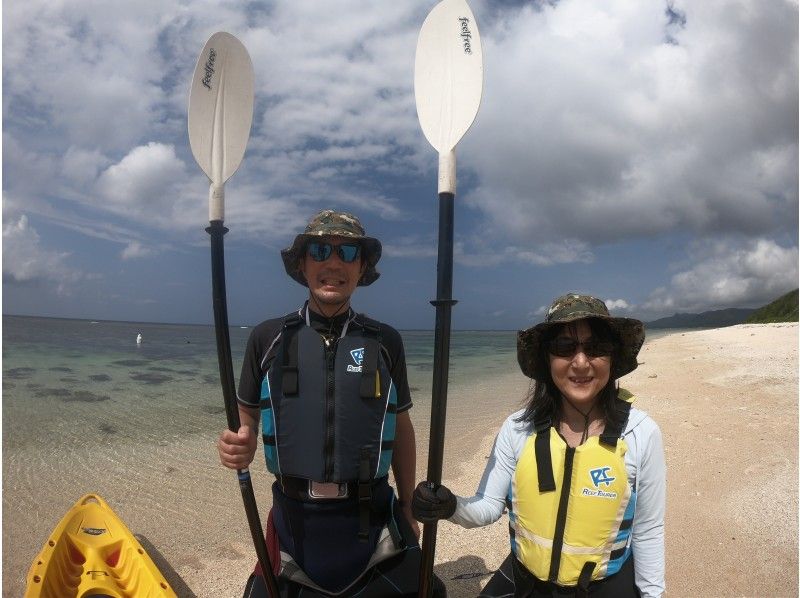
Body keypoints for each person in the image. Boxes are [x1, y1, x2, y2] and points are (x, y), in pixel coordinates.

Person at [218, 210, 425, 597]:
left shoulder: (386, 341)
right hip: (296, 523)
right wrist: (236, 443)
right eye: (319, 250)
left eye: (348, 252)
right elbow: (245, 415)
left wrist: (410, 508)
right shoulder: (268, 338)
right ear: (303, 263)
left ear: (362, 268)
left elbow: (401, 428)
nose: (333, 262)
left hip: (372, 521)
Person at [412, 293, 666, 598]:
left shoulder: (641, 433)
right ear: (547, 360)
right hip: (529, 583)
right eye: (564, 348)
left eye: (596, 348)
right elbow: (488, 507)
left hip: (605, 587)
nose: (581, 362)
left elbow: (648, 531)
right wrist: (449, 506)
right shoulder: (518, 429)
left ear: (612, 357)